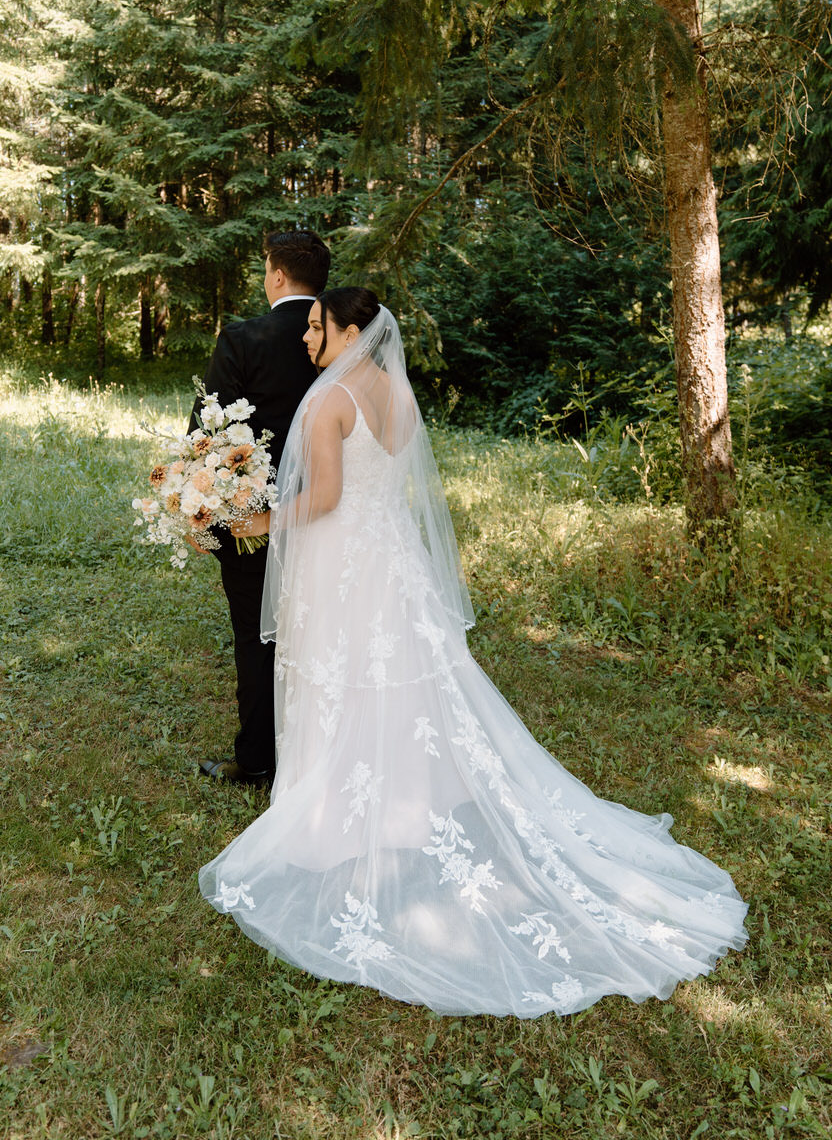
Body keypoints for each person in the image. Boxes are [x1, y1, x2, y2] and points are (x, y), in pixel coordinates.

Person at [200, 287, 748, 1017]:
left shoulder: (332, 398)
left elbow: (327, 498)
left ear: (349, 330)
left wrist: (265, 520)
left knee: (345, 678)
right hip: (393, 562)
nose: (304, 339)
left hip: (342, 564)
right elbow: (393, 488)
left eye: (314, 327)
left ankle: (336, 818)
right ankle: (401, 806)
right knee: (400, 680)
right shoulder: (397, 392)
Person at [193, 231, 330, 786]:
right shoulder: (347, 335)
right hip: (331, 510)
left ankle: (257, 759)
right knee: (326, 627)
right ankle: (322, 746)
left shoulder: (243, 338)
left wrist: (201, 502)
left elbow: (208, 432)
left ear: (276, 275)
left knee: (256, 636)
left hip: (254, 518)